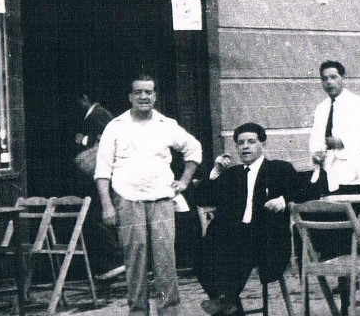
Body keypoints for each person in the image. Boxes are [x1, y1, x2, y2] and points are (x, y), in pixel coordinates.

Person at [95, 74, 202, 316]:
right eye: (138, 92)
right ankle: (138, 311)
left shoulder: (166, 125)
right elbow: (102, 171)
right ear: (130, 96)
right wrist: (107, 206)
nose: (143, 96)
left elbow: (193, 149)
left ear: (155, 96)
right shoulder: (116, 126)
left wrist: (183, 181)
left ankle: (169, 312)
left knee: (165, 260)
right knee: (135, 259)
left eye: (148, 92)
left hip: (161, 200)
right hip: (127, 199)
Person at [191, 122, 315, 316]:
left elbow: (306, 189)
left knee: (236, 249)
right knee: (200, 253)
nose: (245, 147)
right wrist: (215, 172)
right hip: (235, 240)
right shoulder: (231, 175)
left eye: (251, 141)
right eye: (240, 143)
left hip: (267, 241)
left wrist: (283, 200)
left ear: (262, 144)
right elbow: (202, 198)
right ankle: (228, 304)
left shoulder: (278, 169)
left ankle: (226, 303)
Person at [308, 60, 360, 315]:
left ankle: (348, 283)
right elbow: (316, 138)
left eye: (334, 77)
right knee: (329, 228)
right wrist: (315, 153)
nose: (329, 82)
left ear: (343, 78)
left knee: (347, 229)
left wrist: (344, 142)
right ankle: (343, 279)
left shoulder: (358, 104)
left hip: (350, 173)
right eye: (325, 78)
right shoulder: (321, 108)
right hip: (328, 173)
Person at [72, 94, 125, 282]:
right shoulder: (94, 115)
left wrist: (83, 146)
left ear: (85, 98)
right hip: (99, 176)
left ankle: (115, 261)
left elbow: (107, 145)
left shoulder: (99, 115)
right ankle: (111, 264)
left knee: (99, 217)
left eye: (78, 100)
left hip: (103, 176)